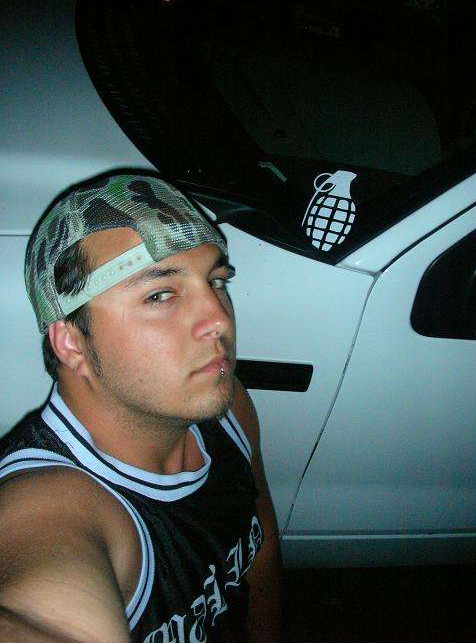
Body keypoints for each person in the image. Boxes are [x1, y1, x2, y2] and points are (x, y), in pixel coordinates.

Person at [0, 171, 281, 642]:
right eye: (160, 295)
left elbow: (261, 549)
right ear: (71, 342)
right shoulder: (51, 506)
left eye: (215, 281)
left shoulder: (229, 408)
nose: (218, 319)